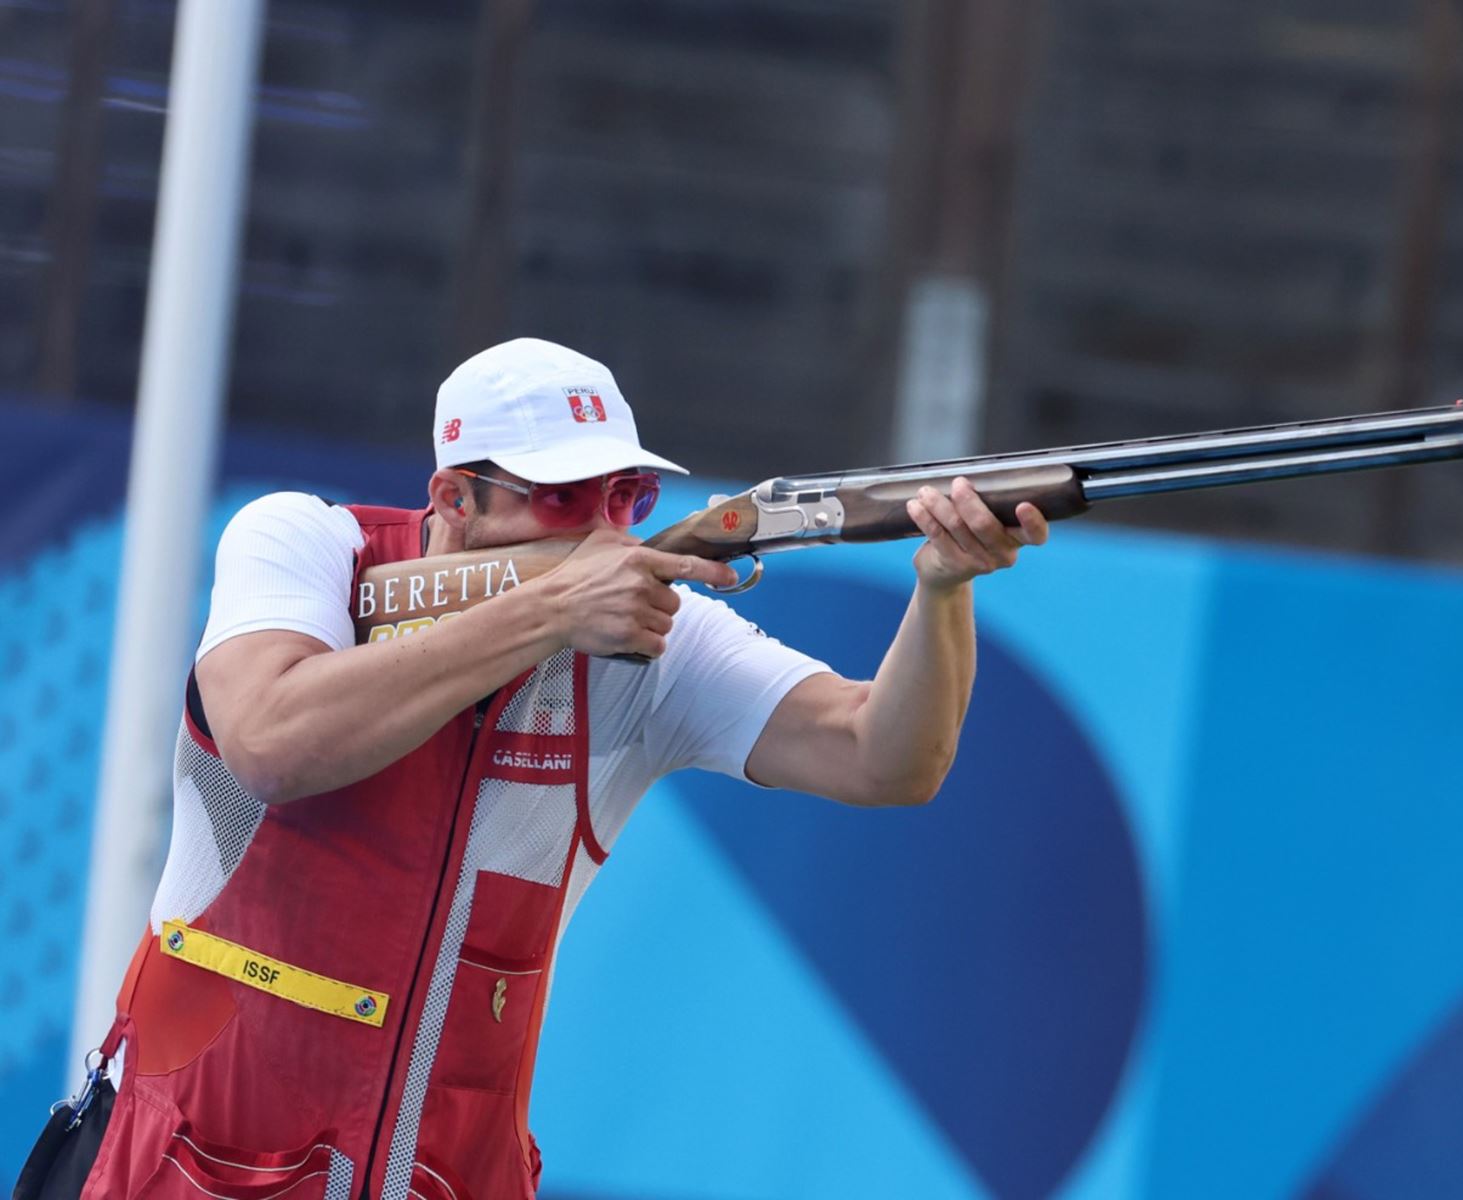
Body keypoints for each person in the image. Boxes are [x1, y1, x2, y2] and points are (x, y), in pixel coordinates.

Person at [80, 338, 1049, 1200]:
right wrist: (548, 614)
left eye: (626, 498)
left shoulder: (649, 644)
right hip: (197, 1165)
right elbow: (272, 742)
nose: (604, 534)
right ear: (452, 499)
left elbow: (886, 758)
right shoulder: (305, 543)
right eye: (562, 499)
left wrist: (944, 588)